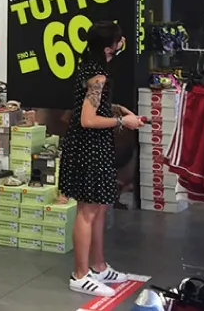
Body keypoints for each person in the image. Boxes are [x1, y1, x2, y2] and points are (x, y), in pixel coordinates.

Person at [59, 21, 144, 298]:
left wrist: (116, 108)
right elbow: (87, 119)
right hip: (88, 148)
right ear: (109, 48)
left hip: (95, 146)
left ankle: (98, 266)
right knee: (88, 210)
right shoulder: (97, 76)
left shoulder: (91, 68)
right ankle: (80, 274)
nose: (122, 43)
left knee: (100, 206)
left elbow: (88, 104)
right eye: (119, 40)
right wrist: (122, 121)